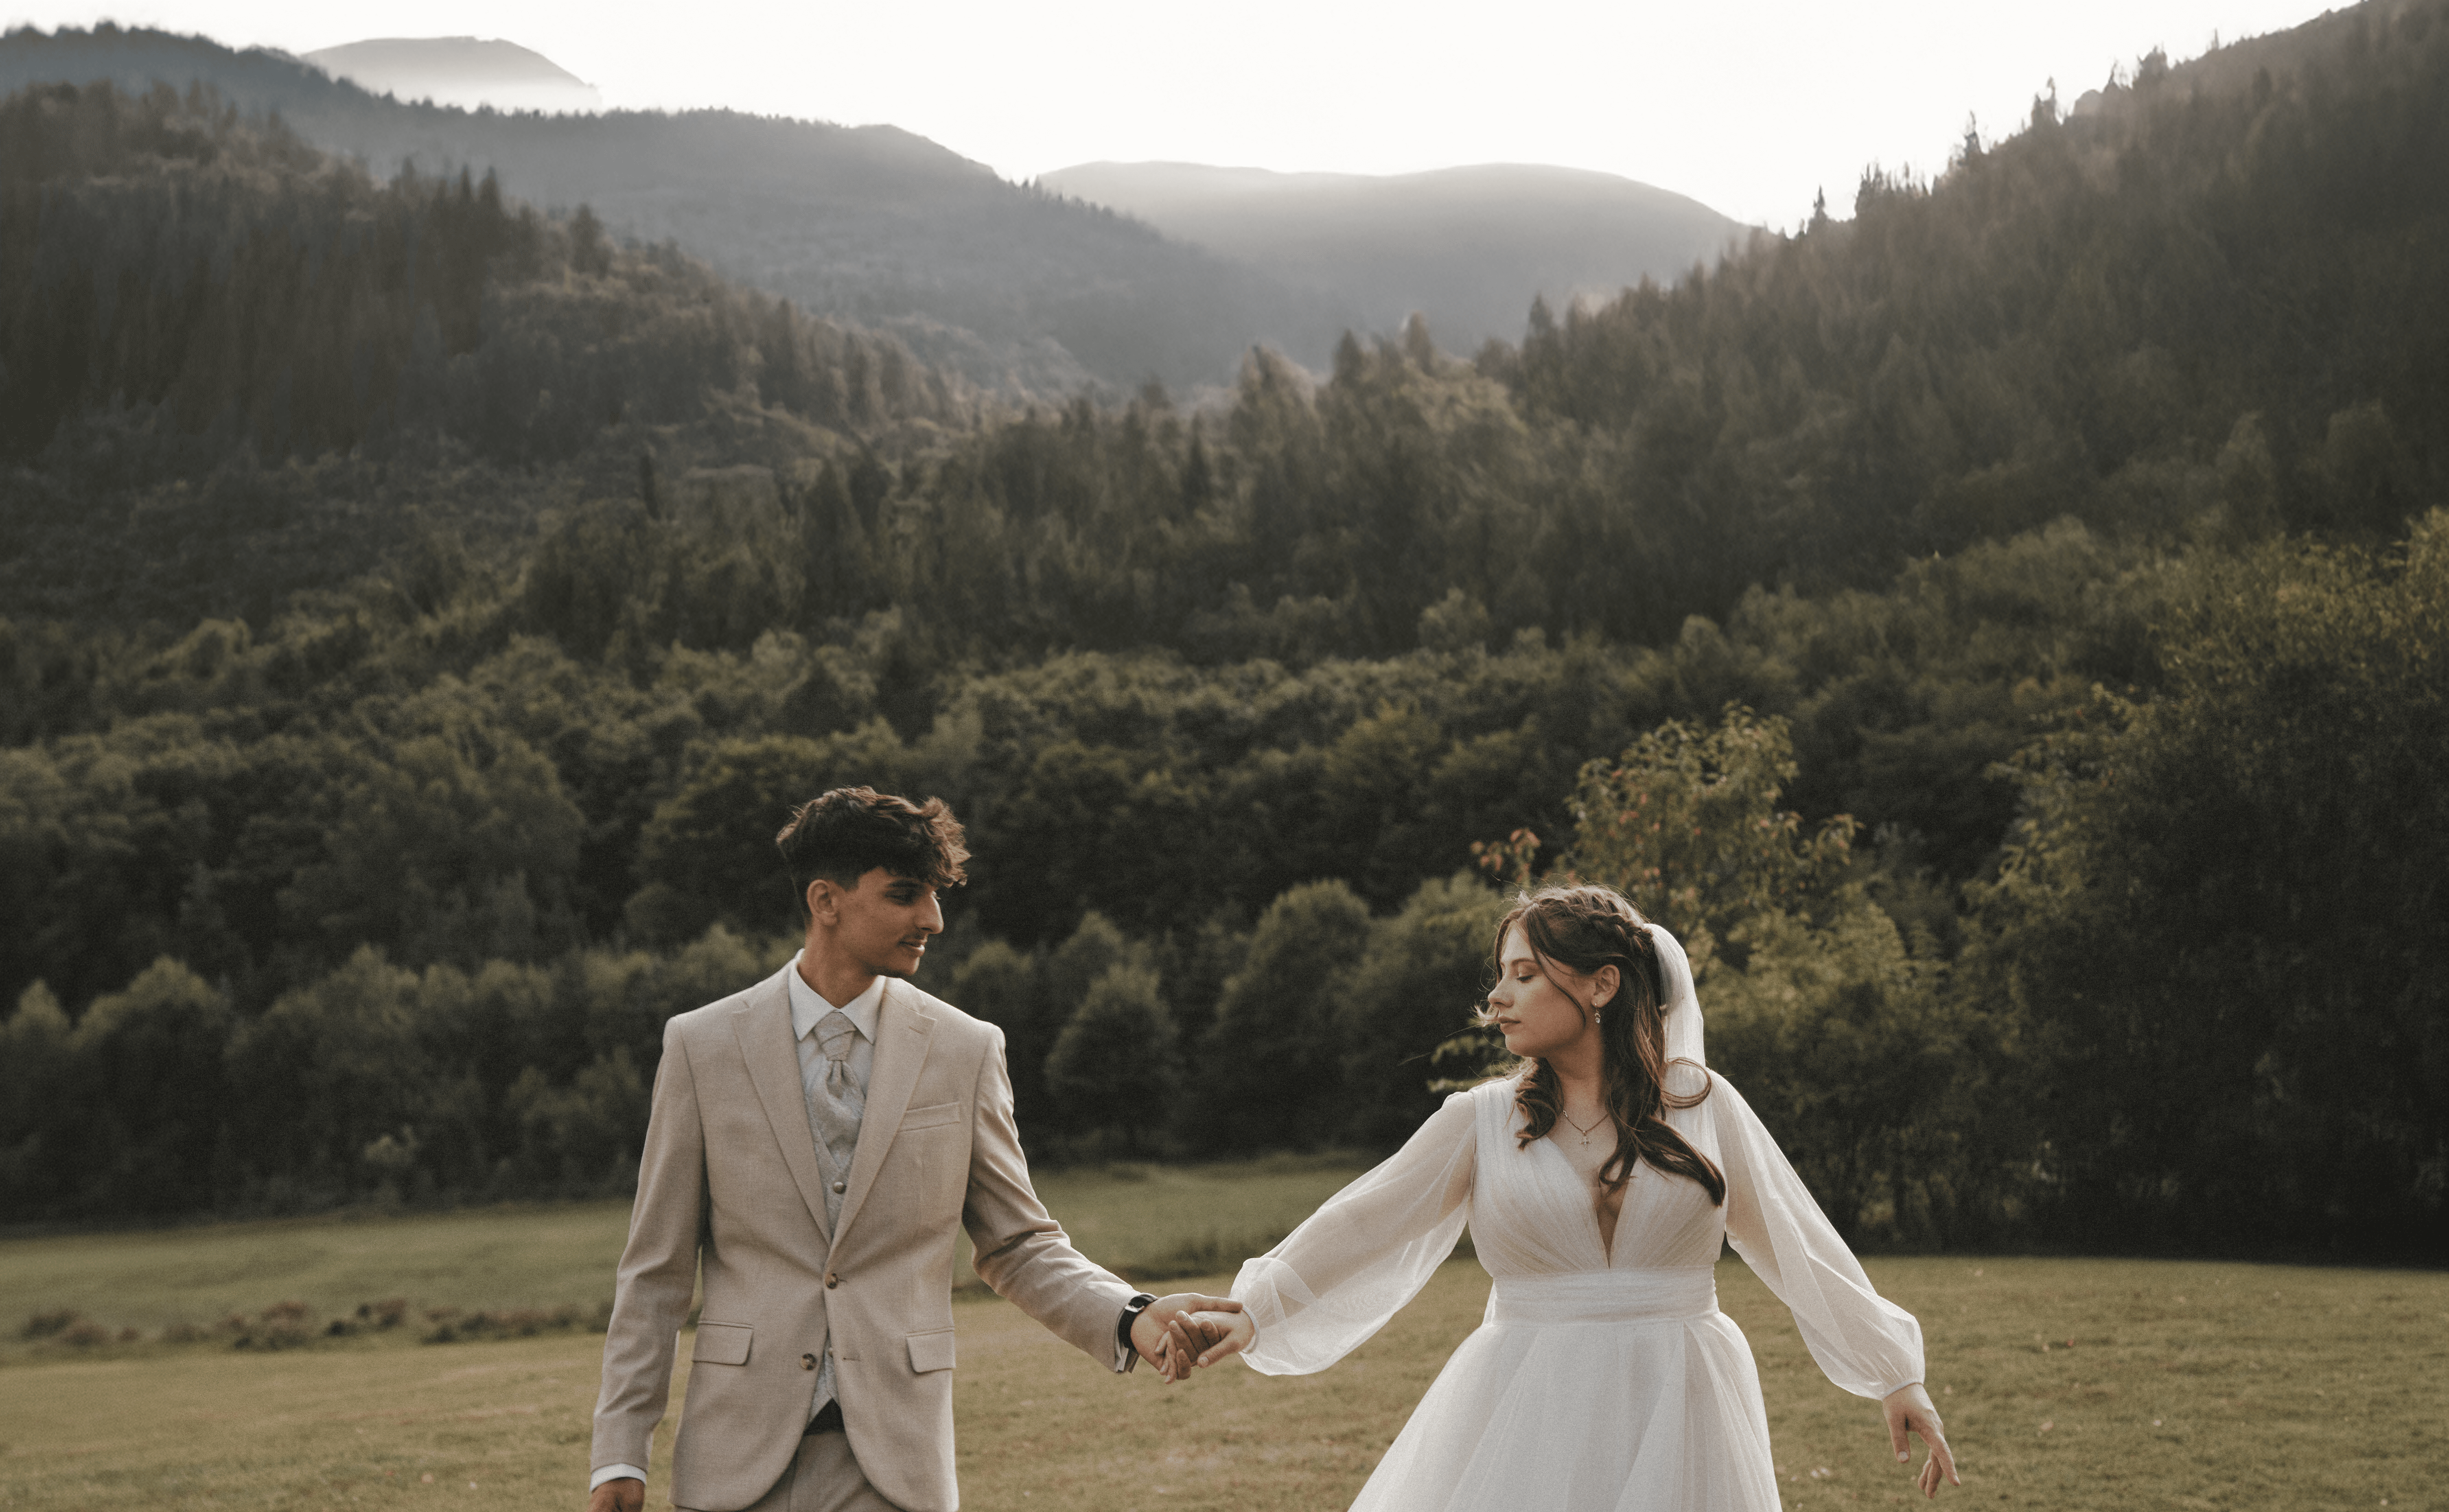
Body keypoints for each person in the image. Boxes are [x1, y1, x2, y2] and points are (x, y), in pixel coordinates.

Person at [587, 786, 1241, 1512]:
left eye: (933, 896)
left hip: (898, 1466)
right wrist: (620, 1451)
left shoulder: (966, 1049)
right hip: (734, 1464)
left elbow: (1019, 1243)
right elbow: (656, 1274)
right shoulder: (701, 1046)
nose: (931, 918)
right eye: (904, 894)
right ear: (825, 900)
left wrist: (1130, 1314)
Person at [1207, 882, 1960, 1510]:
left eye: (1525, 974)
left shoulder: (1704, 1105)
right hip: (1528, 1404)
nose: (1496, 997)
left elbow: (1796, 1240)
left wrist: (1892, 1370)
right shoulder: (1479, 1121)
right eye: (1501, 975)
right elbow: (1363, 1221)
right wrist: (1254, 1311)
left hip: (1685, 1395)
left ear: (1601, 983)